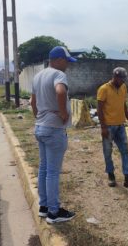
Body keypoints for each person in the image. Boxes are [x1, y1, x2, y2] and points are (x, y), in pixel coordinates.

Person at [31, 46, 76, 224]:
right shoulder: (59, 75)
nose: (67, 65)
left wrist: (38, 115)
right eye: (66, 61)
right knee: (52, 172)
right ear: (57, 59)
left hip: (40, 127)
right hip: (54, 129)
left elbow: (33, 102)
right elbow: (60, 91)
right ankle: (54, 212)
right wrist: (63, 113)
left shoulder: (38, 76)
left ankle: (43, 207)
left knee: (43, 169)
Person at [97, 67, 128, 190]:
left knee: (125, 151)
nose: (123, 81)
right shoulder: (103, 89)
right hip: (108, 126)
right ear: (115, 77)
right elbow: (99, 109)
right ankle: (111, 175)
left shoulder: (123, 88)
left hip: (120, 125)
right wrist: (103, 127)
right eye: (121, 79)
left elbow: (123, 105)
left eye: (124, 79)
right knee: (108, 152)